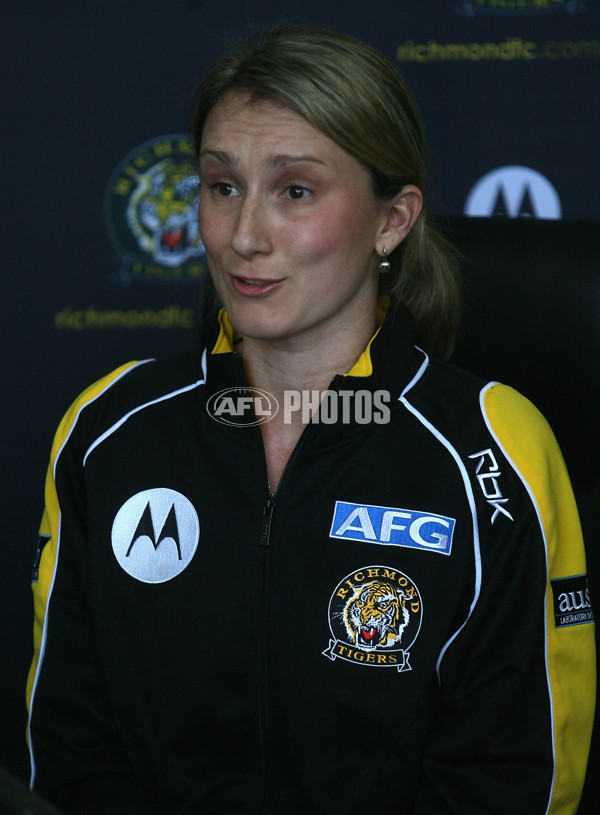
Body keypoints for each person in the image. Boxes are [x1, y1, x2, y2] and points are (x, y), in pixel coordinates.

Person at [26, 23, 595, 815]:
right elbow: (67, 743)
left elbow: (514, 772)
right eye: (222, 186)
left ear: (391, 220)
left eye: (295, 189)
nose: (243, 236)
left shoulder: (495, 448)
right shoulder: (110, 428)